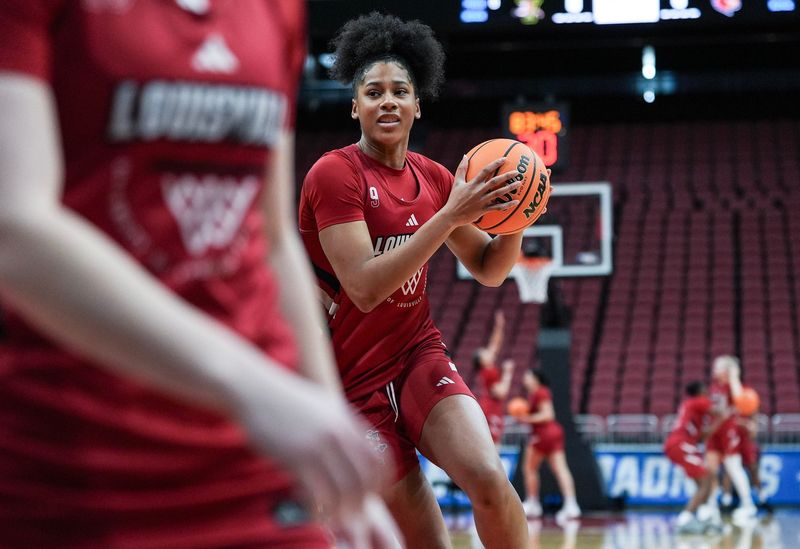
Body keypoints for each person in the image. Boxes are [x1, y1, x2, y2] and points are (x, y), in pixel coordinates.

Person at [0, 2, 398, 547]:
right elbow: (13, 226)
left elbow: (271, 235)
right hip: (81, 457)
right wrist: (252, 389)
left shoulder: (277, 9)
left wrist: (327, 418)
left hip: (254, 463)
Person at [298, 11, 530, 549]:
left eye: (400, 91)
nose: (388, 101)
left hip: (416, 356)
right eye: (373, 92)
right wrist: (448, 217)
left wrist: (517, 216)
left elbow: (491, 269)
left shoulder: (433, 177)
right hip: (349, 383)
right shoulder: (334, 174)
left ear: (417, 104)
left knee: (492, 482)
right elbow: (365, 286)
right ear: (355, 105)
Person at [664, 381, 730, 534]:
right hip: (681, 444)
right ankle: (685, 519)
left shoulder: (691, 408)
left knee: (704, 481)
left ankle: (703, 516)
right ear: (700, 391)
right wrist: (729, 405)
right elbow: (719, 411)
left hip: (682, 444)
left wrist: (720, 421)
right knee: (706, 479)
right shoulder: (698, 401)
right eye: (705, 389)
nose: (708, 392)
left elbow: (703, 435)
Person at [517, 369, 581, 523]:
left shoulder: (541, 392)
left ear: (536, 379)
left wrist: (527, 418)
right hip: (552, 434)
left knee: (529, 469)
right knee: (560, 470)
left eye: (528, 376)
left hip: (543, 434)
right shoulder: (534, 394)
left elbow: (548, 415)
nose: (524, 379)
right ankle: (572, 505)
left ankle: (533, 503)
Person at [703, 355, 758, 525]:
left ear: (726, 370)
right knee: (710, 469)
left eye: (718, 368)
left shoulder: (737, 387)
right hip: (714, 431)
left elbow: (740, 400)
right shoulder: (713, 387)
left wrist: (734, 376)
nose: (714, 371)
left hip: (728, 431)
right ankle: (711, 505)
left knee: (734, 468)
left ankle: (749, 505)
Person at [474, 310, 515, 445]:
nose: (488, 351)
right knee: (493, 447)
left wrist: (499, 326)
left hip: (491, 407)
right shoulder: (488, 372)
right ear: (482, 361)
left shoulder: (488, 368)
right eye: (484, 352)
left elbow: (494, 344)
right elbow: (501, 392)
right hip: (491, 409)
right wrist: (508, 372)